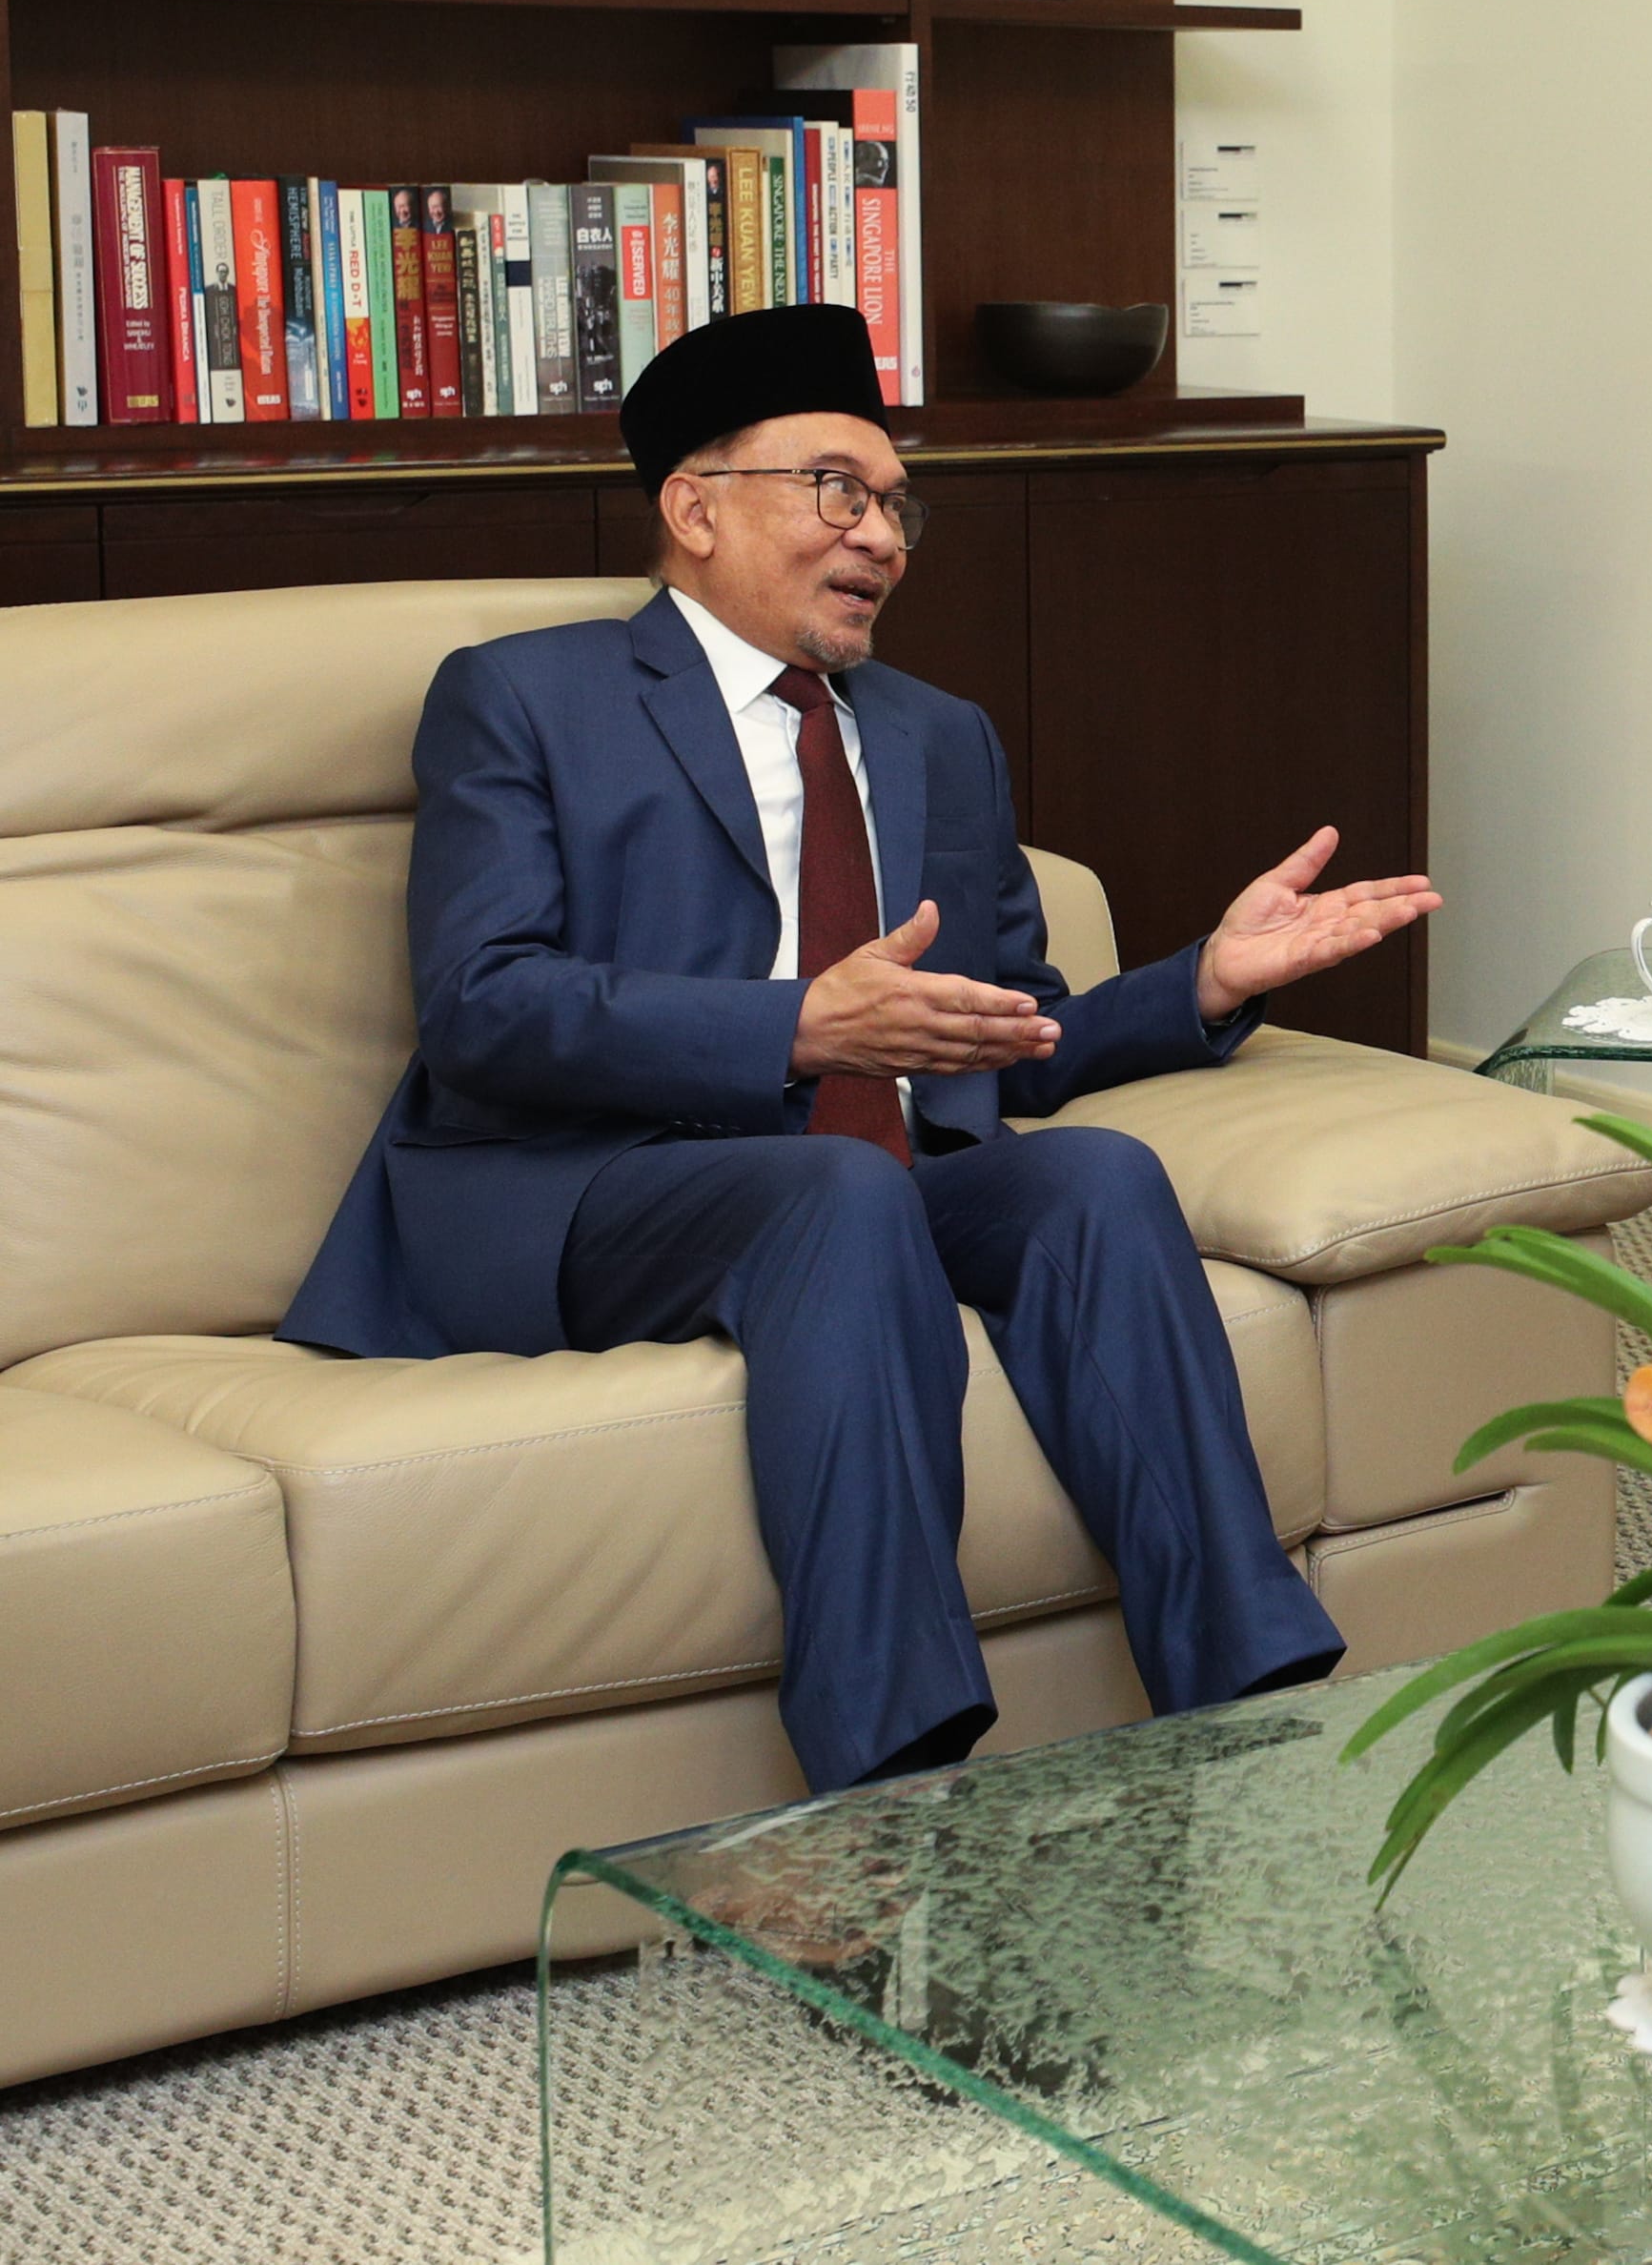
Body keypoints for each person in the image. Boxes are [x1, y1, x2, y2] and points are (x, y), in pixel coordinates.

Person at [282, 304, 1439, 1792]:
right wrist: (797, 1025)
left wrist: (1199, 985)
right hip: (588, 1186)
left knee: (1087, 1180)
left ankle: (1248, 1715)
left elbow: (997, 1045)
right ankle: (891, 1782)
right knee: (836, 1197)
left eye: (897, 505)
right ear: (694, 508)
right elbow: (483, 1008)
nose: (881, 534)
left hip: (859, 1181)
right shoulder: (525, 697)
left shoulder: (934, 734)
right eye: (838, 488)